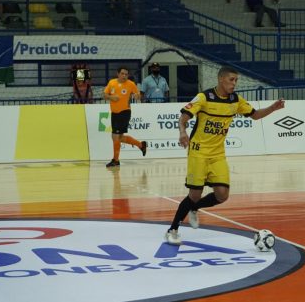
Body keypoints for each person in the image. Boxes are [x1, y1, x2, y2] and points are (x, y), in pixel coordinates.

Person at [165, 66, 285, 245]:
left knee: (222, 195)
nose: (234, 84)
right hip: (198, 152)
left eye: (236, 80)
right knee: (195, 195)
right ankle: (172, 229)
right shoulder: (204, 97)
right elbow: (183, 116)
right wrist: (182, 132)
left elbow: (255, 115)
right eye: (231, 80)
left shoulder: (236, 100)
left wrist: (272, 108)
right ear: (221, 79)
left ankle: (194, 209)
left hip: (218, 154)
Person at [103, 67, 148, 168]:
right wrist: (111, 97)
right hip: (114, 113)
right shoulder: (112, 83)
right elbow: (104, 95)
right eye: (122, 74)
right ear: (118, 73)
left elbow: (138, 95)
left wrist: (137, 96)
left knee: (115, 136)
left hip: (124, 112)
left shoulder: (130, 84)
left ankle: (115, 160)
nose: (124, 76)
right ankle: (141, 145)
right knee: (118, 138)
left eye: (126, 74)